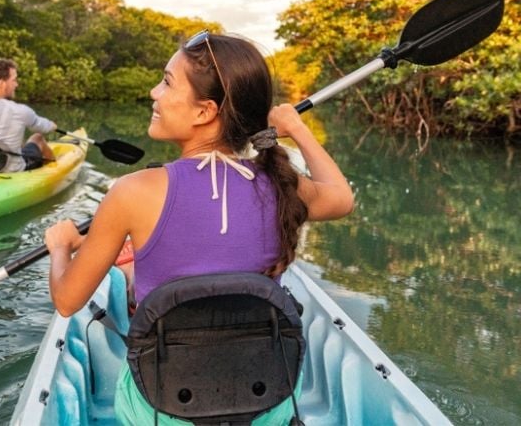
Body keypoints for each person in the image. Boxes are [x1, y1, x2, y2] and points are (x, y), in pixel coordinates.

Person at [44, 30, 355, 424]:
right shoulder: (282, 184)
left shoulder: (132, 192)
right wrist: (295, 128)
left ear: (205, 111)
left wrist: (60, 247)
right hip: (263, 406)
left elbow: (68, 301)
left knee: (128, 277)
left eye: (167, 82)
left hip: (162, 410)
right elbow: (341, 198)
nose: (154, 93)